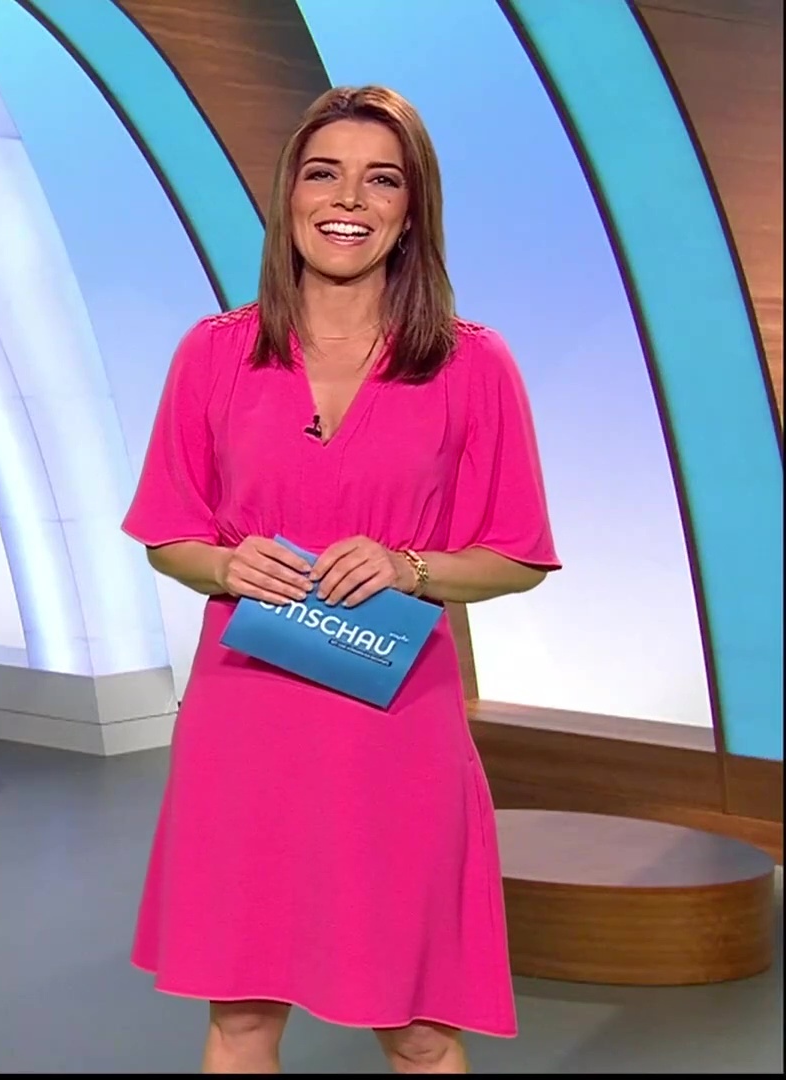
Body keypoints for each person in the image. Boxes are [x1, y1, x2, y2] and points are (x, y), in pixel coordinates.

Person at [122, 85, 560, 1074]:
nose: (348, 199)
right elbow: (167, 535)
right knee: (241, 1014)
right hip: (247, 717)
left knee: (419, 1025)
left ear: (411, 209)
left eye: (381, 179)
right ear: (291, 194)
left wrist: (412, 566)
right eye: (324, 173)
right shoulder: (214, 354)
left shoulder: (472, 366)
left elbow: (519, 555)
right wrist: (225, 562)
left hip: (396, 724)